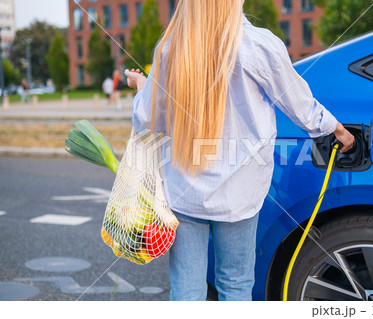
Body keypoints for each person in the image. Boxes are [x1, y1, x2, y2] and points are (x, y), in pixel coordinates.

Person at [125, 0, 354, 301]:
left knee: (186, 289)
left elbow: (148, 119)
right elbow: (299, 104)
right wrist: (335, 128)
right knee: (235, 284)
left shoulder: (171, 49)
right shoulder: (260, 45)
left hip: (184, 192)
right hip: (240, 192)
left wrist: (142, 87)